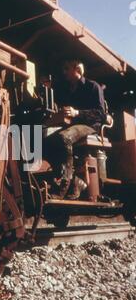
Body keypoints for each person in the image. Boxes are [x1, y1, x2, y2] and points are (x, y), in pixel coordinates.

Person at [44, 60, 107, 199]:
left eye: (67, 68)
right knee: (45, 141)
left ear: (77, 69)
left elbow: (101, 114)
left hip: (90, 127)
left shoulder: (93, 86)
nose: (64, 72)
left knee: (63, 137)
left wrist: (77, 113)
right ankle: (74, 181)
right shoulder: (67, 90)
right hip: (73, 126)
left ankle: (64, 188)